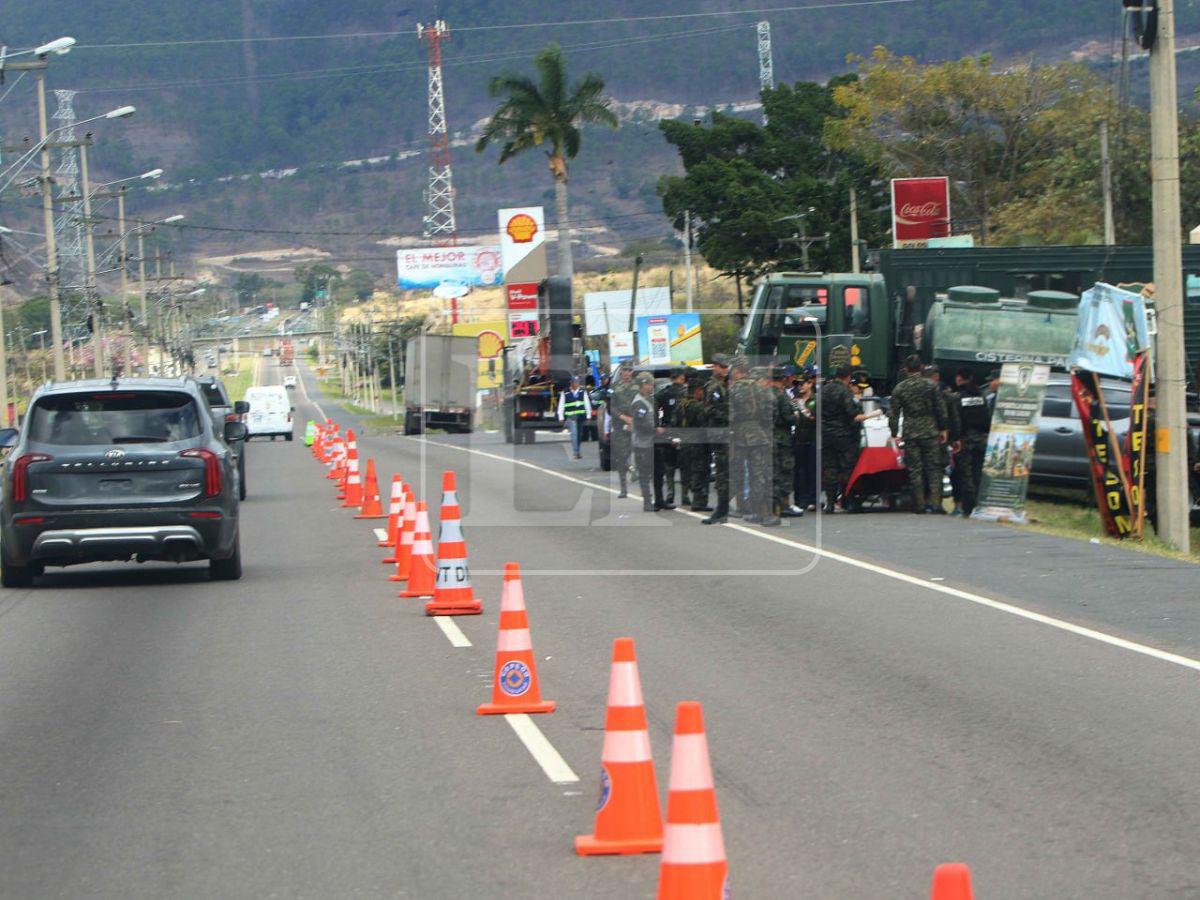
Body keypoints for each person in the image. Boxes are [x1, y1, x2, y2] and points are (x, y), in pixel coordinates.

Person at [888, 358, 949, 513]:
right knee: (933, 467)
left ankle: (920, 504)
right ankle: (935, 503)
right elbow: (940, 409)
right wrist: (943, 428)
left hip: (910, 432)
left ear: (906, 369)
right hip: (930, 430)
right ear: (921, 367)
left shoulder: (900, 388)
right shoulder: (930, 386)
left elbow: (893, 413)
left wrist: (894, 432)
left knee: (915, 469)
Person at [820, 364, 868, 513]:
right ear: (848, 377)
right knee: (848, 467)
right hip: (844, 435)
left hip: (826, 434)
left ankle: (829, 503)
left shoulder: (823, 390)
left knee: (830, 468)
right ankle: (848, 501)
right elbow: (853, 414)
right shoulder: (845, 393)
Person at [730, 364, 771, 524]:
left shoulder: (734, 389)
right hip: (758, 434)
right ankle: (758, 510)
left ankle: (741, 506)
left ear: (737, 371)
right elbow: (768, 412)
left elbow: (730, 415)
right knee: (758, 474)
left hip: (740, 435)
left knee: (738, 472)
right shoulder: (761, 389)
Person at [954, 367, 991, 517]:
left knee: (966, 475)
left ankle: (968, 508)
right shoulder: (982, 396)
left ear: (960, 379)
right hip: (982, 439)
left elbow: (957, 421)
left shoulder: (959, 397)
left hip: (966, 440)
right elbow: (987, 418)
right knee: (979, 474)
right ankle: (981, 505)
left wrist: (956, 438)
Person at [621, 372, 661, 511]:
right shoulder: (639, 403)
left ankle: (654, 500)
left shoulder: (648, 400)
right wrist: (655, 429)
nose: (651, 386)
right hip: (642, 444)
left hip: (649, 442)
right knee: (644, 474)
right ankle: (647, 501)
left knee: (651, 472)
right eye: (649, 384)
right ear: (642, 385)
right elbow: (641, 424)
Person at [701, 354, 732, 524]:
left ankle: (724, 509)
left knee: (726, 472)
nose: (725, 369)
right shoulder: (713, 386)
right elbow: (710, 410)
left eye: (727, 366)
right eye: (722, 366)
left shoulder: (724, 385)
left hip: (727, 433)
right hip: (719, 433)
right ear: (715, 367)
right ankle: (721, 509)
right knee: (722, 472)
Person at [654, 368, 688, 507]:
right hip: (672, 431)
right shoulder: (665, 393)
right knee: (672, 465)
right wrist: (657, 424)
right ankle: (674, 493)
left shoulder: (685, 392)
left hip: (681, 430)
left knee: (676, 465)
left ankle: (678, 493)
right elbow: (654, 405)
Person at [679, 376, 712, 512]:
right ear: (698, 391)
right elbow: (705, 423)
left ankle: (692, 497)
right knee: (701, 471)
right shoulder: (698, 407)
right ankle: (699, 501)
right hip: (698, 443)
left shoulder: (682, 404)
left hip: (685, 442)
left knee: (691, 470)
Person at [771, 365, 799, 520]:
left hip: (771, 437)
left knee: (774, 472)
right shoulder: (781, 396)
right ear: (782, 379)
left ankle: (774, 505)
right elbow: (788, 418)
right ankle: (784, 505)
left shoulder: (766, 394)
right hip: (783, 438)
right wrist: (796, 417)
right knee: (785, 472)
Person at [791, 371, 818, 511]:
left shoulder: (816, 400)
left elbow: (814, 419)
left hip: (812, 439)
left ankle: (813, 499)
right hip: (799, 439)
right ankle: (800, 499)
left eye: (802, 384)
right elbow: (793, 419)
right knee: (800, 471)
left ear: (810, 384)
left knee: (812, 470)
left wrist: (801, 407)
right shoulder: (794, 400)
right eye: (798, 384)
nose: (800, 387)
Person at [608, 363, 636, 497]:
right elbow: (611, 407)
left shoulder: (638, 386)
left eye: (630, 370)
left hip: (637, 425)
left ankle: (644, 488)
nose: (627, 373)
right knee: (621, 457)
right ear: (621, 372)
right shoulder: (614, 387)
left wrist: (634, 421)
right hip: (620, 426)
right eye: (625, 370)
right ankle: (623, 488)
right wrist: (624, 418)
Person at [557, 375, 592, 459]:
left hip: (580, 417)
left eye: (578, 382)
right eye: (575, 382)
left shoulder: (582, 392)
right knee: (574, 433)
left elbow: (587, 405)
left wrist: (588, 416)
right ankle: (576, 452)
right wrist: (561, 417)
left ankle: (577, 450)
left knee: (579, 435)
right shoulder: (565, 392)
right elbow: (561, 405)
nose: (577, 384)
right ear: (571, 383)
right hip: (571, 417)